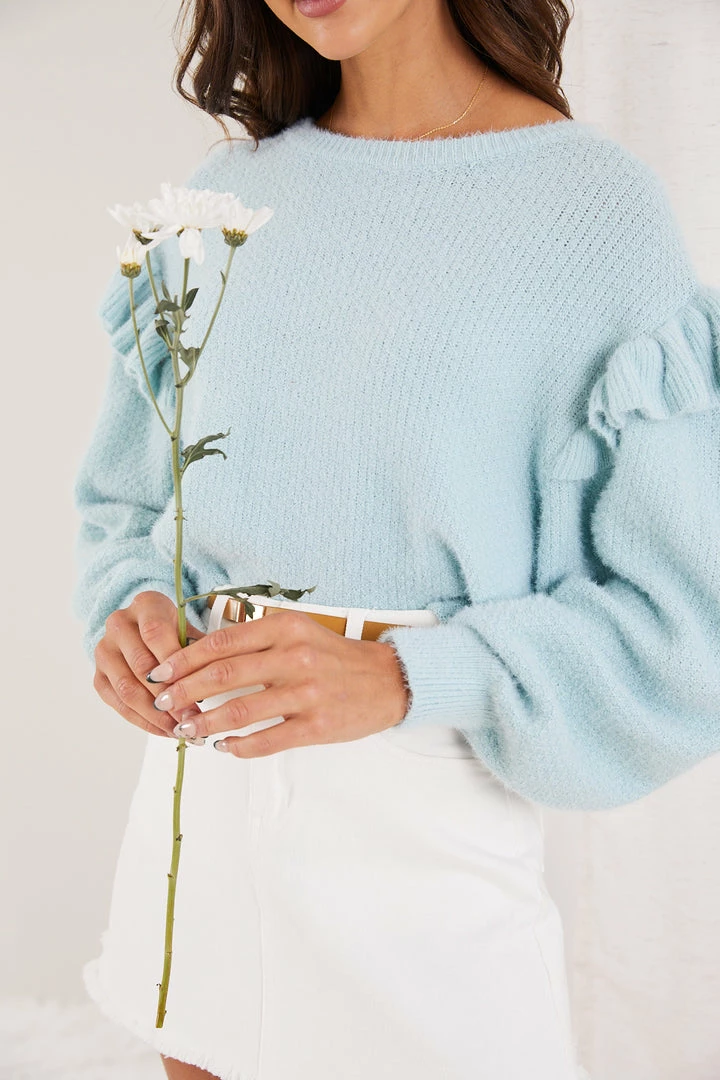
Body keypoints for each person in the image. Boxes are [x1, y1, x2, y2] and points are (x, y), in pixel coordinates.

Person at [72, 0, 720, 1078]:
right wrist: (130, 605)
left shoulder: (592, 214)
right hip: (202, 802)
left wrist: (406, 675)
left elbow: (686, 625)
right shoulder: (225, 199)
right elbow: (127, 506)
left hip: (422, 835)